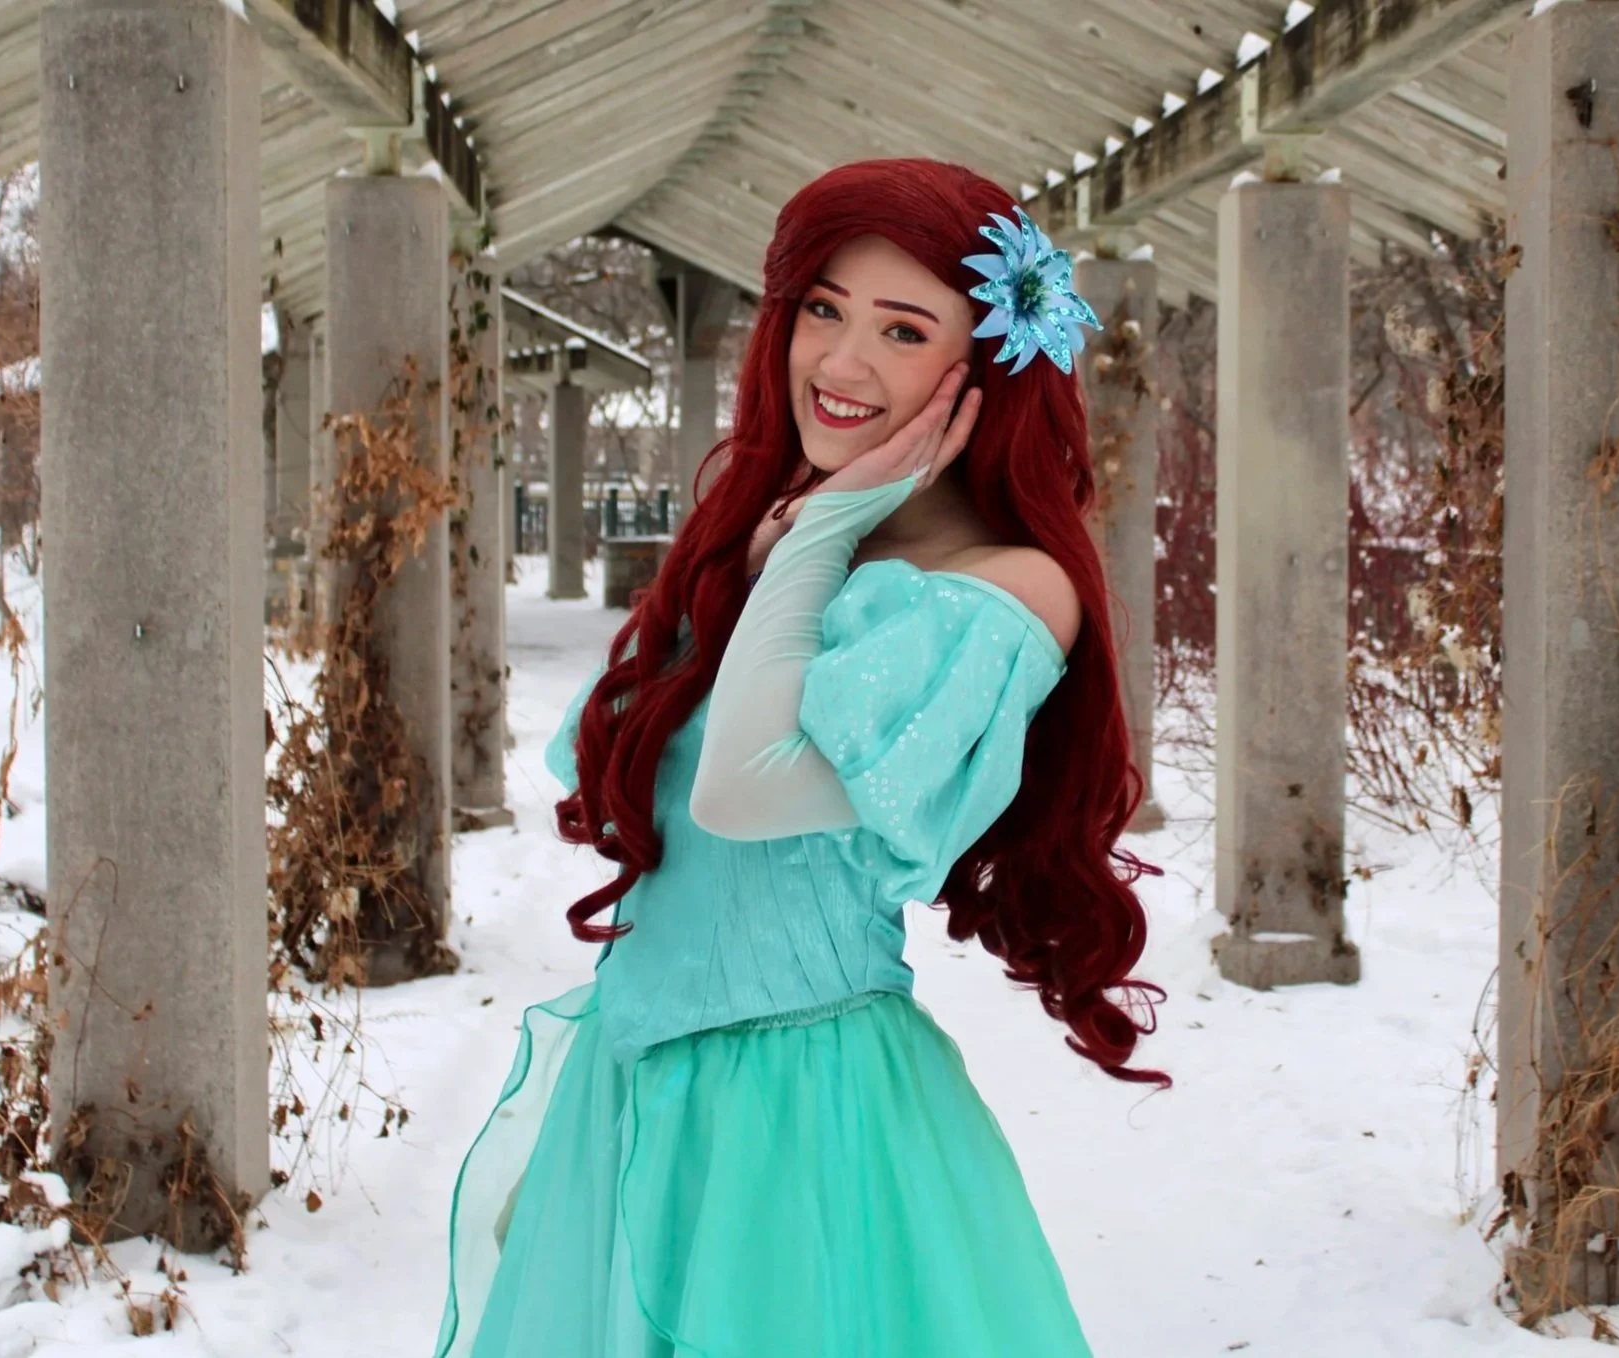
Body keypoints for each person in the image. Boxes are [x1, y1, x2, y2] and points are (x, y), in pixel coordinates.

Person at [435, 158, 1166, 1358]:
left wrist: (815, 537)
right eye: (823, 309)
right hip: (632, 1088)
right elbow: (602, 762)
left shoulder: (1003, 589)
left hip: (802, 1123)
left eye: (902, 329)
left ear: (981, 366)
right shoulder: (792, 535)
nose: (841, 361)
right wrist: (768, 555)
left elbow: (742, 791)